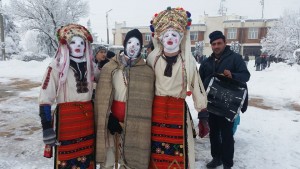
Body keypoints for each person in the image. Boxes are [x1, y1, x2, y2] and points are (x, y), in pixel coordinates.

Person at [147, 7, 207, 169]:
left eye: (174, 34)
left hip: (178, 112)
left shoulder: (188, 60)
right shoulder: (153, 58)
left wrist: (203, 114)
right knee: (154, 151)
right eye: (166, 35)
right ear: (160, 38)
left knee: (178, 152)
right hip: (156, 112)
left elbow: (196, 85)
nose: (170, 38)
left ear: (181, 38)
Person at [94, 29, 155, 169]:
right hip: (112, 123)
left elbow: (148, 102)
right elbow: (101, 98)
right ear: (124, 44)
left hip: (136, 125)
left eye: (137, 43)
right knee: (109, 161)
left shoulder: (147, 72)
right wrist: (109, 117)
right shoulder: (109, 67)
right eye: (130, 42)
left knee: (130, 162)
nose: (133, 46)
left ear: (141, 46)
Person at [39, 24, 96, 169]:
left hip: (87, 121)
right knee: (66, 161)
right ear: (66, 45)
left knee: (87, 159)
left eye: (82, 43)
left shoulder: (91, 67)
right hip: (66, 123)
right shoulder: (57, 66)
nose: (78, 46)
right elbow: (45, 98)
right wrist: (46, 127)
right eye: (73, 42)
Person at [198, 30, 250, 169]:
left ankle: (227, 163)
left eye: (219, 43)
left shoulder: (235, 58)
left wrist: (232, 75)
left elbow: (246, 76)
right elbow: (200, 82)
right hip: (212, 104)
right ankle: (216, 158)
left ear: (224, 43)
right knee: (213, 133)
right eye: (214, 44)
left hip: (228, 104)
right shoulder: (207, 62)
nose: (216, 46)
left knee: (227, 135)